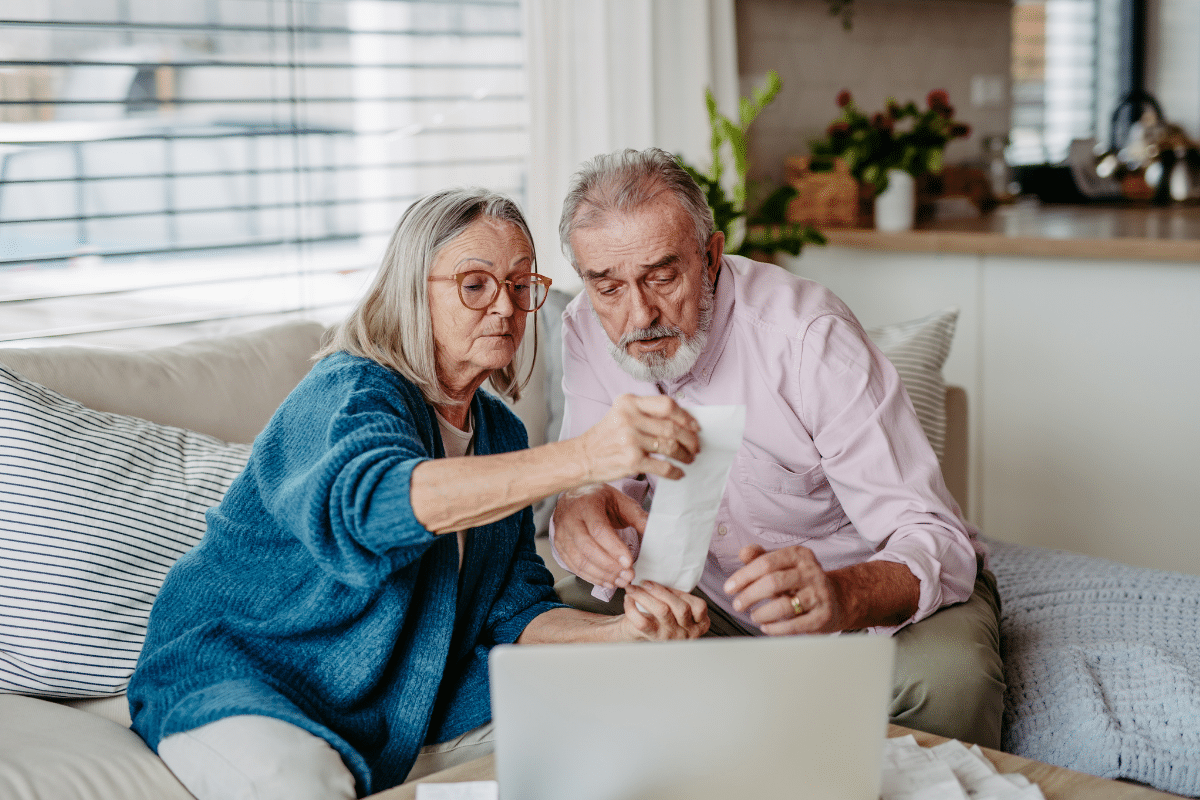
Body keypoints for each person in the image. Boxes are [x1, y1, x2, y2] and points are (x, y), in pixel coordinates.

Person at [128, 187, 709, 800]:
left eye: (519, 285)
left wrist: (627, 635)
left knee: (618, 732)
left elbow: (517, 615)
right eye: (475, 283)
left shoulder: (500, 433)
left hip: (405, 699)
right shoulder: (348, 389)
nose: (506, 307)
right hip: (250, 679)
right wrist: (583, 459)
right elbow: (374, 506)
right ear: (412, 289)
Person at [548, 148, 1005, 748]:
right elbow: (596, 480)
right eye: (608, 286)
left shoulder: (809, 338)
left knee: (954, 680)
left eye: (663, 277)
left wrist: (842, 597)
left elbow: (931, 532)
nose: (639, 314)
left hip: (858, 604)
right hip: (699, 599)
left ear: (710, 257)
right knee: (552, 637)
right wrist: (580, 507)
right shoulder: (586, 326)